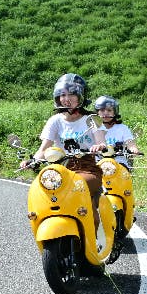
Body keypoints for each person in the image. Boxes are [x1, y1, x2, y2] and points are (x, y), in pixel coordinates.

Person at [22, 72, 106, 225]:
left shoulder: (92, 119)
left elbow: (101, 141)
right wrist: (32, 161)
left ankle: (93, 230)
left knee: (79, 185)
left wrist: (99, 146)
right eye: (62, 94)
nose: (66, 99)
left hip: (86, 168)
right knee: (39, 187)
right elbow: (44, 149)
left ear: (81, 95)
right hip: (59, 169)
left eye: (72, 94)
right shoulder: (55, 121)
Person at [93, 95, 139, 163]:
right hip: (99, 162)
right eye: (102, 110)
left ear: (114, 112)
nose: (106, 113)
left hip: (119, 163)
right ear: (97, 112)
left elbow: (129, 142)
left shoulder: (122, 128)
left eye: (109, 110)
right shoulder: (93, 128)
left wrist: (133, 148)